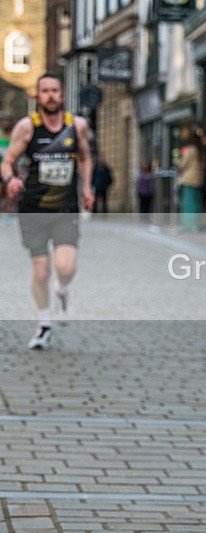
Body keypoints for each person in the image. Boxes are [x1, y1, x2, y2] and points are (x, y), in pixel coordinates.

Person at [2, 73, 94, 350]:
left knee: (66, 268)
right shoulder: (27, 127)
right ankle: (44, 324)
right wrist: (10, 180)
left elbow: (86, 157)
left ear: (62, 95)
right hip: (33, 209)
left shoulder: (76, 126)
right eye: (46, 91)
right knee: (41, 272)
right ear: (38, 96)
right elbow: (7, 162)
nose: (51, 95)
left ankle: (62, 289)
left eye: (55, 90)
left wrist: (87, 187)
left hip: (65, 207)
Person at [177, 129, 205, 232]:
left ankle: (189, 225)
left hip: (189, 179)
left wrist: (178, 166)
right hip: (199, 179)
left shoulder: (190, 150)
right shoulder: (201, 150)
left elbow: (183, 164)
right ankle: (197, 224)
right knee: (197, 202)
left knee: (188, 203)